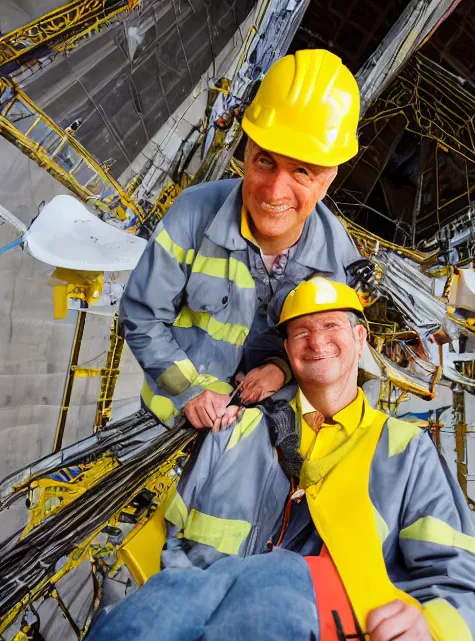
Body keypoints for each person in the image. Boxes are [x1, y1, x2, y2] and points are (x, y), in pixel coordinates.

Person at [41, 278, 475, 641]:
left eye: (331, 326)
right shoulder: (238, 424)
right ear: (286, 347)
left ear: (360, 338)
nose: (317, 341)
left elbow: (472, 597)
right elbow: (180, 530)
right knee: (166, 598)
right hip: (196, 602)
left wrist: (435, 635)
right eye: (301, 332)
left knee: (271, 581)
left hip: (331, 630)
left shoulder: (405, 452)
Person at [119, 48, 364, 429]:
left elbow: (326, 357)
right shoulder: (193, 215)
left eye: (301, 171)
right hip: (167, 420)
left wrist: (280, 370)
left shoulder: (338, 265)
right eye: (265, 161)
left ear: (328, 178)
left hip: (260, 439)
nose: (274, 192)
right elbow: (141, 313)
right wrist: (190, 392)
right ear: (247, 150)